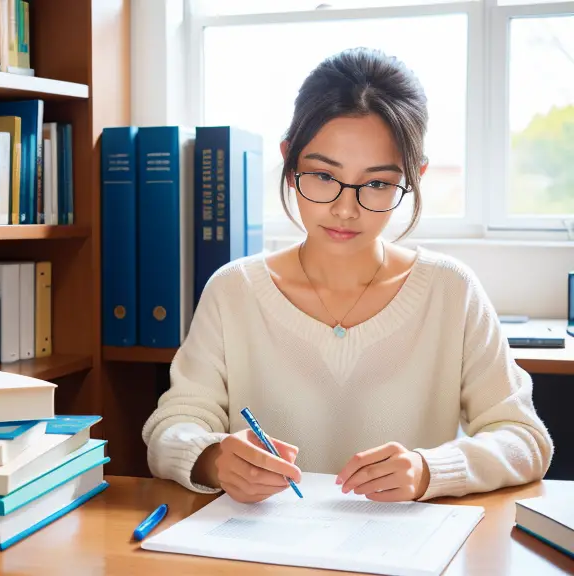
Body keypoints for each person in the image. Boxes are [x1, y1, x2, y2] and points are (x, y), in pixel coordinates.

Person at [141, 47, 554, 504]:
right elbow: (170, 428)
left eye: (376, 183)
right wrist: (213, 458)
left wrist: (428, 470)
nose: (344, 208)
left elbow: (523, 438)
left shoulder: (451, 290)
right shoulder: (233, 289)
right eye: (322, 175)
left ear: (413, 177)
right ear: (289, 161)